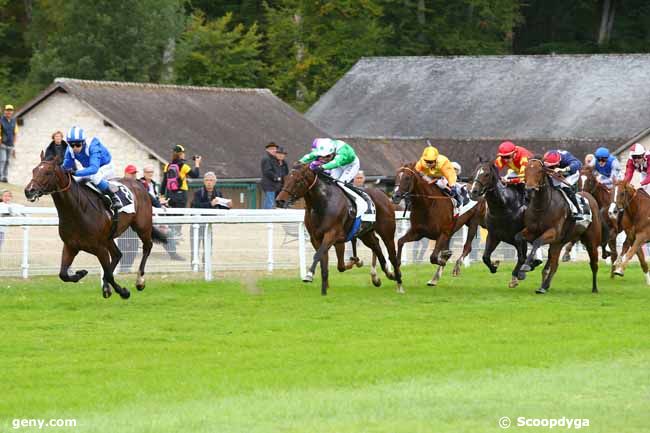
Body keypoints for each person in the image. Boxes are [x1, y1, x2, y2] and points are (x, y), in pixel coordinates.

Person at [300, 138, 368, 220]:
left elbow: (336, 162)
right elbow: (309, 156)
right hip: (339, 165)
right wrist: (299, 163)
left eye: (327, 156)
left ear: (333, 152)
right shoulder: (326, 147)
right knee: (331, 183)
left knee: (341, 184)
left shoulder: (343, 152)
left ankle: (359, 199)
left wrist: (322, 167)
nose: (324, 159)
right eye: (322, 156)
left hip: (350, 165)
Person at [61, 126, 122, 210]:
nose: (75, 147)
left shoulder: (93, 145)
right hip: (90, 170)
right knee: (75, 181)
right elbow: (65, 167)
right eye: (72, 145)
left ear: (83, 142)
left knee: (95, 177)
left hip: (106, 167)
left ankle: (114, 198)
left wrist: (76, 172)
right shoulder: (69, 150)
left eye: (78, 144)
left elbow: (94, 169)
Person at [159, 144, 201, 261]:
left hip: (169, 195)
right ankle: (174, 245)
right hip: (181, 196)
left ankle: (172, 246)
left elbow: (163, 183)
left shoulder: (168, 166)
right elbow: (196, 175)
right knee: (177, 223)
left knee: (171, 222)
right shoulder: (183, 166)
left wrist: (161, 196)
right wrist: (197, 164)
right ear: (181, 153)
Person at [191, 172, 231, 265]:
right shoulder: (198, 192)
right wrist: (210, 204)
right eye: (207, 180)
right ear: (204, 182)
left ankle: (206, 266)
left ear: (215, 182)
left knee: (208, 246)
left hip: (209, 224)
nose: (209, 182)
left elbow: (221, 207)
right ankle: (194, 267)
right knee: (195, 246)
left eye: (211, 180)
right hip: (197, 223)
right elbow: (195, 206)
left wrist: (228, 206)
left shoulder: (218, 193)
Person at [414, 145, 462, 214]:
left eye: (431, 162)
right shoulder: (421, 162)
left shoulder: (443, 162)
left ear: (436, 160)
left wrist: (452, 186)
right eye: (426, 161)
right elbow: (415, 172)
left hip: (442, 176)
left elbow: (450, 175)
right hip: (428, 176)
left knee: (441, 184)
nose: (428, 164)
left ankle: (457, 199)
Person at [542, 149, 583, 220]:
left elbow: (579, 164)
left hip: (571, 173)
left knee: (564, 186)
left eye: (554, 166)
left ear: (559, 162)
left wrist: (564, 169)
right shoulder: (546, 157)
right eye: (550, 167)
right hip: (557, 174)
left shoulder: (565, 156)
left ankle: (578, 210)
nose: (553, 168)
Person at [116, 165, 139, 273]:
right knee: (123, 244)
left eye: (134, 173)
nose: (133, 175)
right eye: (131, 173)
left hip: (134, 221)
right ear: (126, 173)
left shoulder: (137, 185)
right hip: (123, 220)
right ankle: (122, 266)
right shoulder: (119, 184)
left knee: (134, 245)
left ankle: (127, 266)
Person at [0, 104, 18, 183]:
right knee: (2, 160)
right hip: (2, 144)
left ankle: (5, 177)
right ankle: (0, 176)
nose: (9, 112)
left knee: (7, 161)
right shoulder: (1, 120)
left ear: (12, 112)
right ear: (5, 111)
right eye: (7, 110)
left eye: (10, 111)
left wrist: (13, 146)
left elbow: (15, 133)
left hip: (10, 145)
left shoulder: (14, 121)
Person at [260, 142, 282, 209]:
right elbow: (267, 171)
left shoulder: (274, 159)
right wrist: (276, 178)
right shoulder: (267, 159)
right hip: (269, 185)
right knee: (270, 204)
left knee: (270, 203)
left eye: (275, 149)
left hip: (273, 185)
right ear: (267, 150)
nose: (274, 150)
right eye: (272, 149)